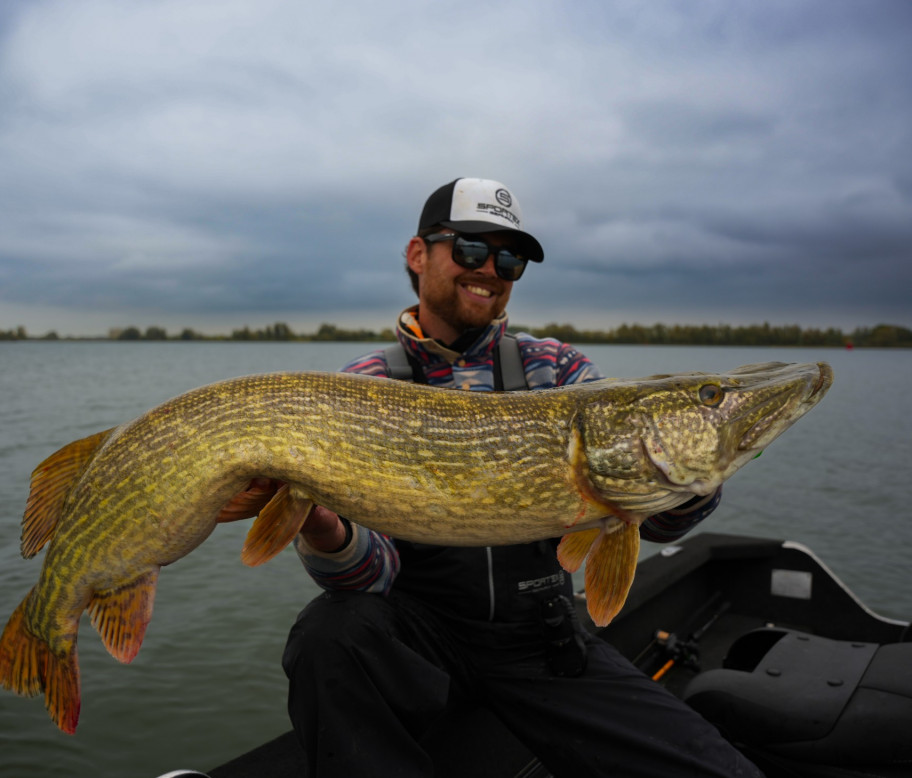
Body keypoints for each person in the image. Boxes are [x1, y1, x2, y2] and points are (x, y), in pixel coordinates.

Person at [278, 178, 761, 777]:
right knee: (331, 631)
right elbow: (369, 574)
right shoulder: (362, 388)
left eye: (510, 258)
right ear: (417, 253)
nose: (491, 269)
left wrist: (693, 472)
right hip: (421, 636)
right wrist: (325, 532)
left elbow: (653, 520)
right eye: (471, 249)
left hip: (542, 640)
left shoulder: (557, 369)